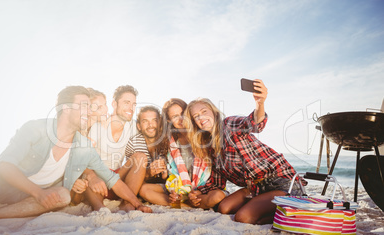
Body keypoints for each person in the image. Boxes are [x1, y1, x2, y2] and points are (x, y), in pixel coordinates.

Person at [0, 86, 151, 220]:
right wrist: (38, 193)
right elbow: (4, 166)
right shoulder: (35, 128)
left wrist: (137, 204)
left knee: (63, 196)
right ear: (66, 108)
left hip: (29, 197)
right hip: (0, 181)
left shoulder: (83, 145)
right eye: (85, 106)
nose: (90, 111)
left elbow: (112, 179)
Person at [184, 79, 303, 224]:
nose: (201, 118)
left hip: (281, 182)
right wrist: (197, 193)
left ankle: (292, 209)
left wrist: (260, 103)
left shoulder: (229, 124)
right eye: (196, 117)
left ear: (214, 113)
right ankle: (266, 208)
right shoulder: (210, 149)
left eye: (204, 112)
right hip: (254, 188)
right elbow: (216, 183)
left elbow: (254, 123)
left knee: (243, 217)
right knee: (224, 208)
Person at [139, 99, 226, 209]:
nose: (181, 119)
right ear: (169, 121)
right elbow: (168, 175)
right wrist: (172, 191)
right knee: (144, 189)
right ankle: (184, 205)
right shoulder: (169, 142)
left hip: (202, 190)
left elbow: (216, 171)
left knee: (217, 196)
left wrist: (198, 192)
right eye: (175, 117)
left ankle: (188, 203)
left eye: (182, 114)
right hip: (179, 187)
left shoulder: (203, 135)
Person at [81, 85, 148, 212]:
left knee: (140, 157)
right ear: (114, 104)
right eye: (126, 103)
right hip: (98, 177)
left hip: (118, 177)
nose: (131, 108)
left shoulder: (132, 126)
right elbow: (86, 157)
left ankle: (126, 203)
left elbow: (146, 143)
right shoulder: (98, 126)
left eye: (134, 104)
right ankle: (99, 208)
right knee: (90, 174)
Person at [125, 106, 169, 184]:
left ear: (160, 123)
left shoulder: (168, 141)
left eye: (154, 120)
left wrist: (166, 173)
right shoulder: (134, 143)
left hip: (166, 186)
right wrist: (148, 173)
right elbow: (129, 177)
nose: (150, 125)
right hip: (142, 185)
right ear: (139, 126)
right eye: (145, 121)